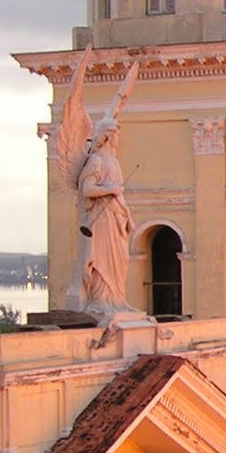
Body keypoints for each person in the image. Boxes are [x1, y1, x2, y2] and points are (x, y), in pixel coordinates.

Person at [77, 120, 134, 313]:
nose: (118, 138)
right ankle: (101, 299)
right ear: (108, 136)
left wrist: (128, 216)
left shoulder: (114, 162)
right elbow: (87, 190)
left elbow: (119, 194)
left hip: (117, 217)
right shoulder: (96, 161)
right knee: (103, 257)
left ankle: (117, 300)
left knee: (120, 258)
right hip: (102, 217)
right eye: (116, 134)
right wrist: (110, 189)